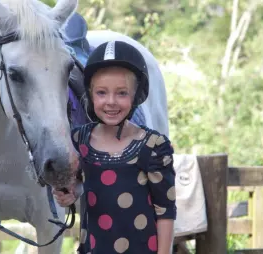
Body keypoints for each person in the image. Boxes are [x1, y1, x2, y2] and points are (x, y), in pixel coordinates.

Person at [53, 40, 176, 254]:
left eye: (122, 93)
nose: (111, 101)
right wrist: (70, 194)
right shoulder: (79, 140)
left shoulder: (153, 146)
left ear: (136, 95)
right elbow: (81, 185)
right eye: (101, 93)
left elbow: (165, 212)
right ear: (90, 94)